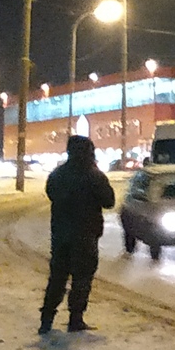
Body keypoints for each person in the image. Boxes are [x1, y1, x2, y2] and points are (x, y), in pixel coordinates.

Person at [41, 134, 116, 333]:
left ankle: (46, 318)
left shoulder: (57, 175)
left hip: (61, 234)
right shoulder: (95, 176)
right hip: (86, 234)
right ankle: (75, 318)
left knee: (58, 277)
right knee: (82, 278)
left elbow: (51, 194)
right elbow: (109, 201)